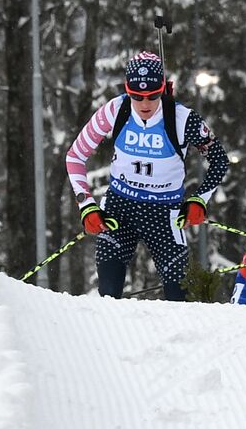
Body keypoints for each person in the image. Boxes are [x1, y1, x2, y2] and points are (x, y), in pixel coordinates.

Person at [65, 51, 229, 300]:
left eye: (152, 96)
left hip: (164, 214)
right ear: (127, 90)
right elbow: (75, 156)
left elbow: (219, 160)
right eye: (136, 96)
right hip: (119, 211)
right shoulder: (115, 110)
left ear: (163, 89)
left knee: (179, 298)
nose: (144, 104)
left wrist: (199, 200)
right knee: (109, 294)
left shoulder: (182, 118)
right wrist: (86, 206)